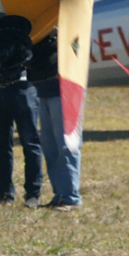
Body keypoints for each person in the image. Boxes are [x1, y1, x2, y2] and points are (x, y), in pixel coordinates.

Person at [0, 41, 43, 207]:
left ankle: (33, 194)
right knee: (1, 144)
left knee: (30, 143)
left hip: (23, 85)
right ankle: (5, 194)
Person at [30, 32, 81, 210]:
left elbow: (77, 48)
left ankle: (70, 197)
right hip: (43, 90)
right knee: (50, 147)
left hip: (63, 90)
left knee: (66, 145)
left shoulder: (63, 27)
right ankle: (59, 195)